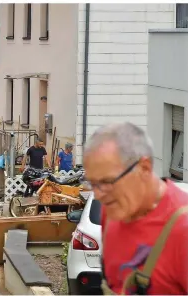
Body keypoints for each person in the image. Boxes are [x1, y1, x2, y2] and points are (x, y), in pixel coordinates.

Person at [83, 122, 188, 295]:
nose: (98, 195)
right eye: (93, 183)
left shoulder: (182, 229)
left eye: (107, 182)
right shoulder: (110, 213)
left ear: (144, 168)